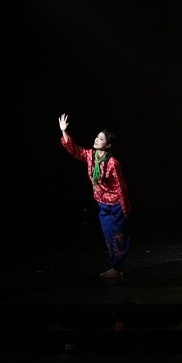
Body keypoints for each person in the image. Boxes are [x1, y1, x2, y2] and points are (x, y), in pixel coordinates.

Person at [58, 113, 132, 280]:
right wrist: (64, 131)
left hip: (115, 205)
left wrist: (125, 208)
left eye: (101, 139)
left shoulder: (112, 163)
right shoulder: (90, 156)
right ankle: (115, 267)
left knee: (117, 236)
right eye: (97, 137)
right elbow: (74, 149)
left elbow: (121, 187)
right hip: (101, 204)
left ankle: (116, 268)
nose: (97, 140)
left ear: (108, 144)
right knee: (109, 237)